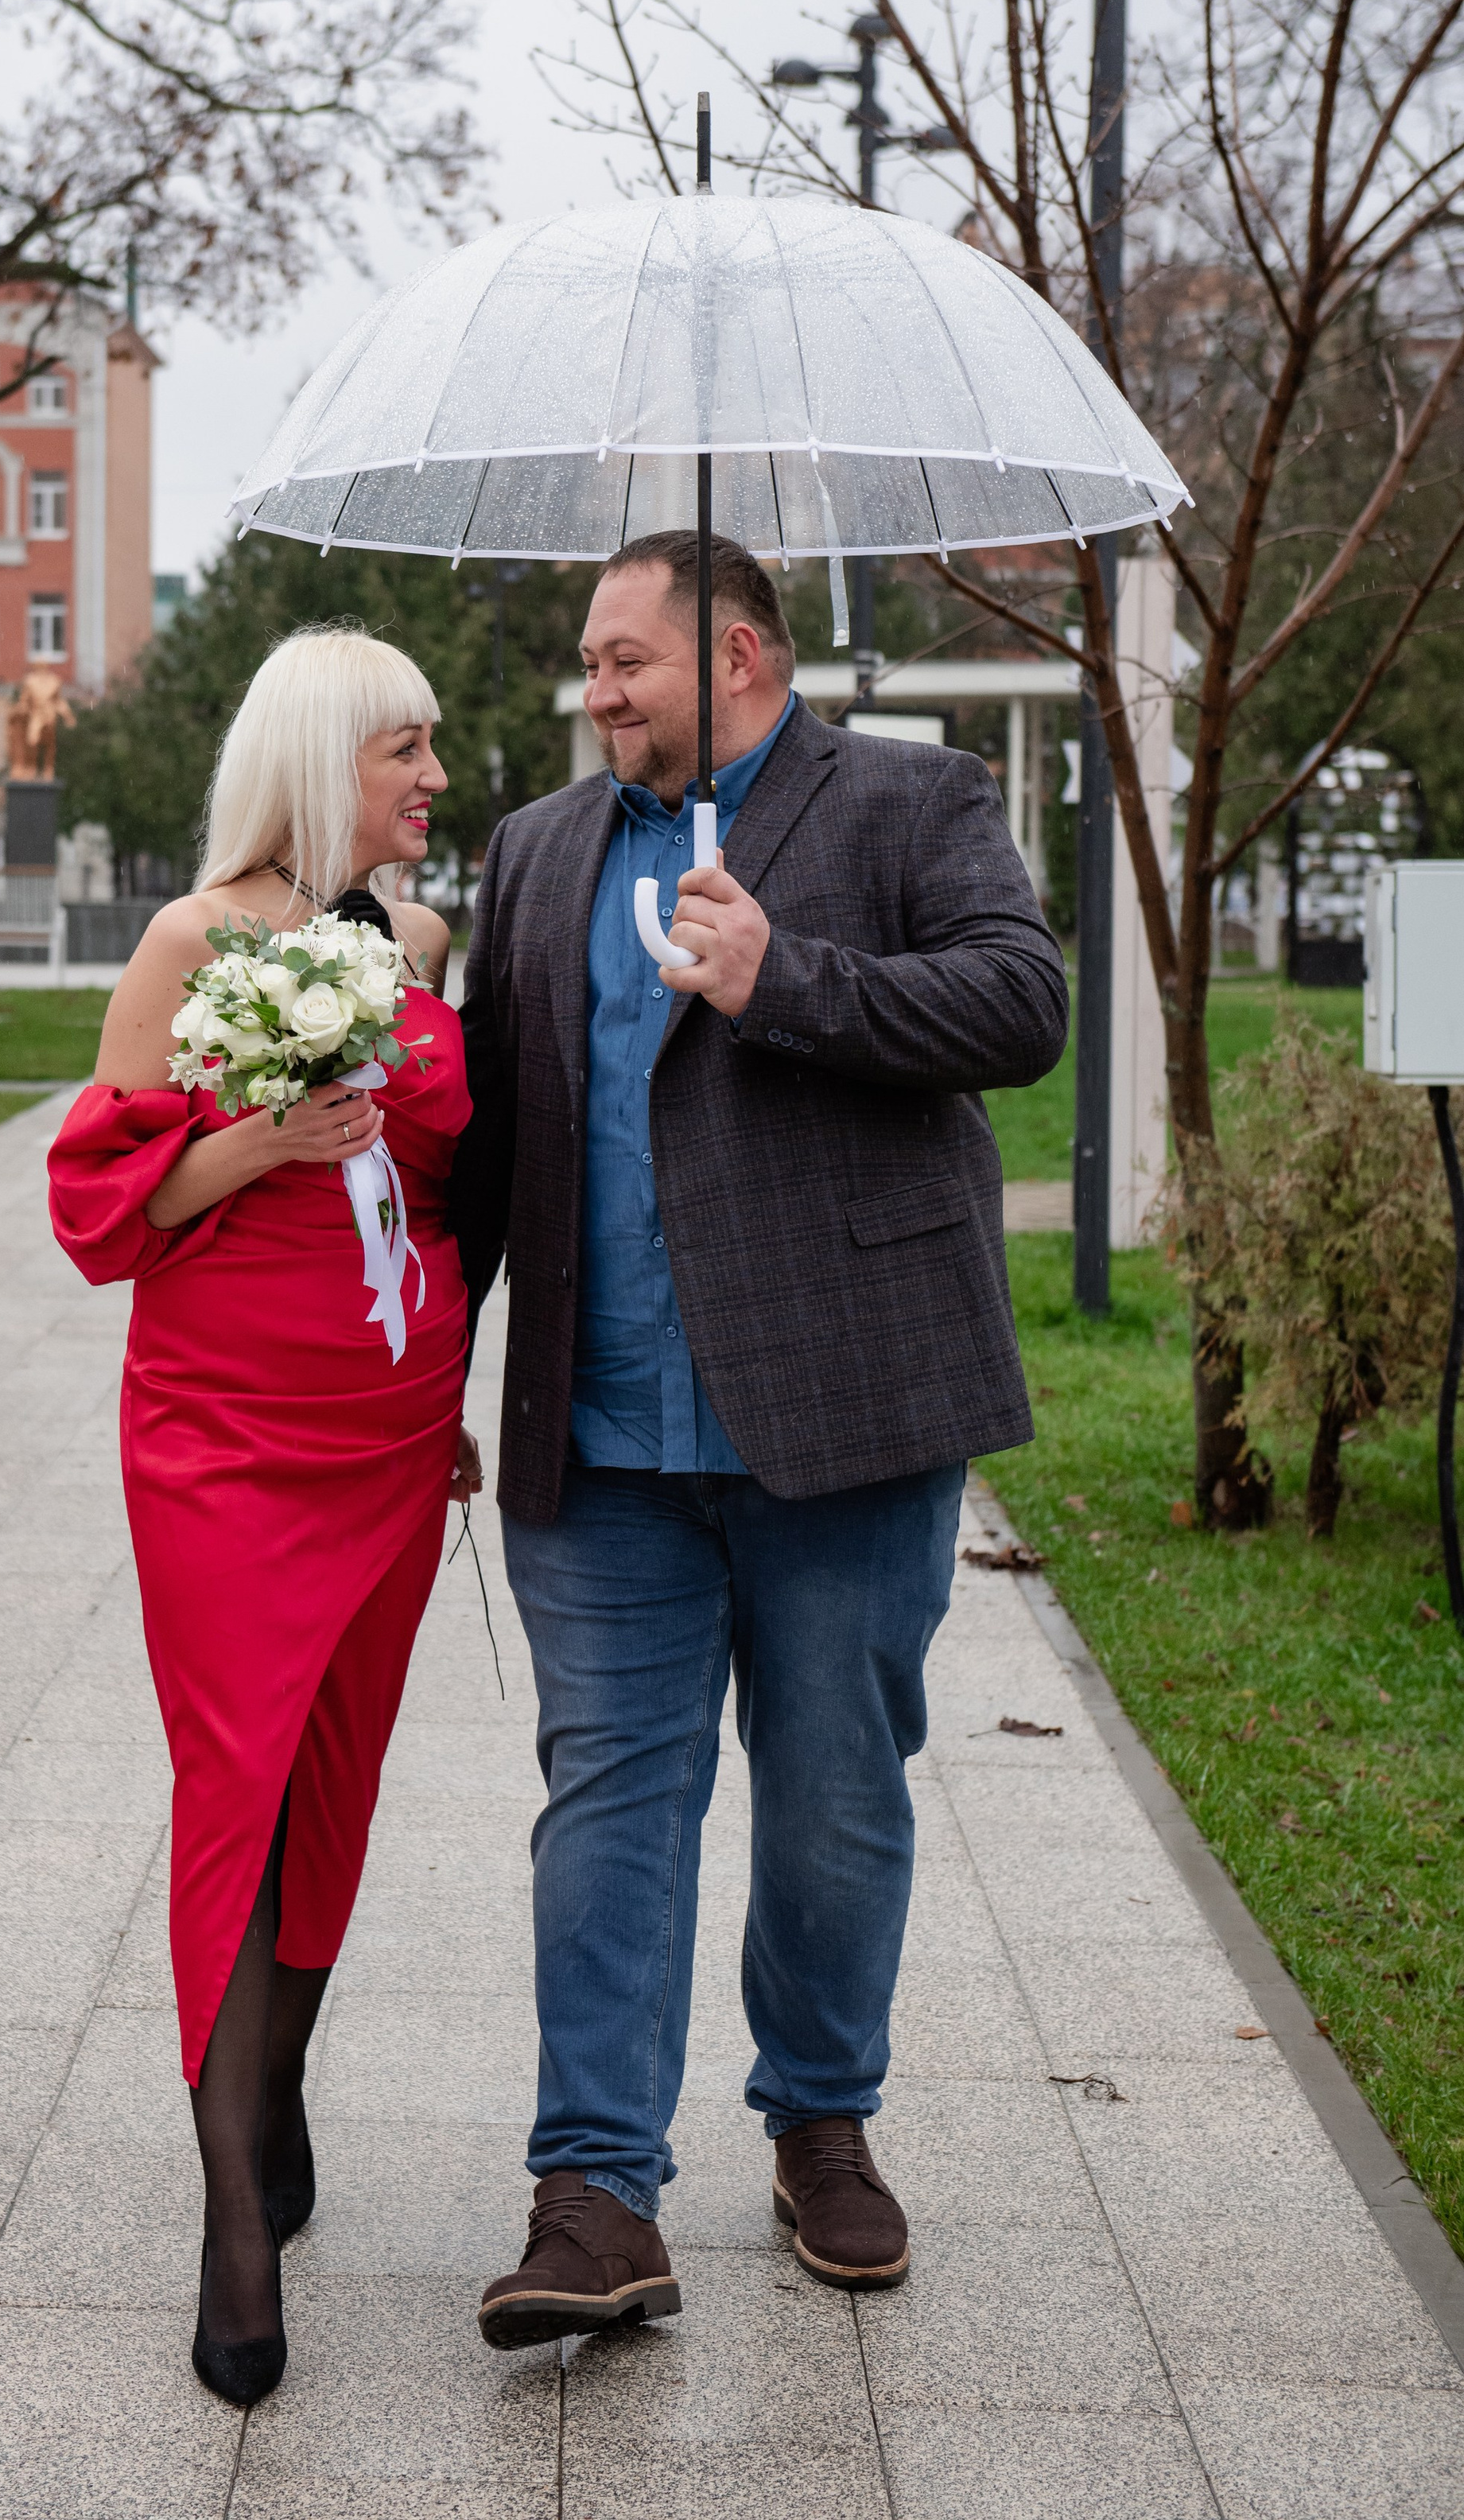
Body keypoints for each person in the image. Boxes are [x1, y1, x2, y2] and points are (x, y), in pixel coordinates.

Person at [450, 531, 1068, 2347]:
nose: (594, 687)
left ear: (731, 652)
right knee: (610, 1802)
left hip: (848, 1415)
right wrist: (432, 1377)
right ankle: (591, 2193)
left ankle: (819, 2118)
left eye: (623, 657)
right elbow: (493, 1139)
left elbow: (1018, 1007)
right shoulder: (539, 849)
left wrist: (778, 975)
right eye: (585, 658)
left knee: (831, 1795)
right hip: (606, 1431)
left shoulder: (909, 799)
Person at [47, 626, 480, 2409]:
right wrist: (262, 1138)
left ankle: (278, 2073)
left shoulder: (424, 938)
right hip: (221, 1440)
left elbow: (450, 1180)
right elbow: (103, 1212)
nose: (434, 779)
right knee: (237, 1778)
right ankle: (234, 2213)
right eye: (406, 749)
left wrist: (449, 1403)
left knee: (337, 1776)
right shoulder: (187, 940)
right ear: (322, 757)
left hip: (385, 1437)